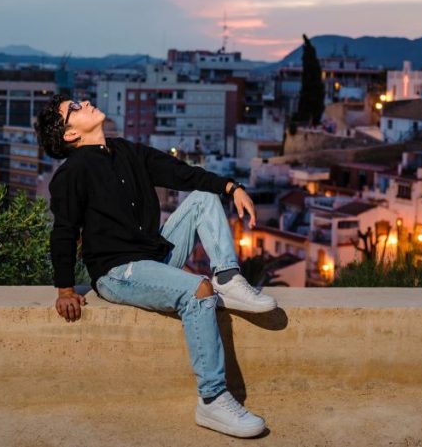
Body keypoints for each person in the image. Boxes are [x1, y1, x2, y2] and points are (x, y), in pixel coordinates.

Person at [34, 94, 275, 438]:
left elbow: (181, 174)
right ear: (70, 135)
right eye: (73, 108)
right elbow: (64, 232)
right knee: (197, 291)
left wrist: (230, 186)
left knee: (204, 198)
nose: (84, 102)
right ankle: (212, 400)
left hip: (154, 256)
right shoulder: (71, 174)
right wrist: (65, 290)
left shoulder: (128, 151)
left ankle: (229, 278)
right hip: (119, 273)